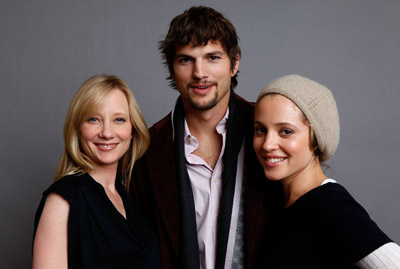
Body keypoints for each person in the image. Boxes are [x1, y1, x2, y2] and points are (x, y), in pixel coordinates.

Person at [131, 6, 281, 269]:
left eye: (212, 58)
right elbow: (140, 248)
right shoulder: (148, 149)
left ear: (234, 63)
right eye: (186, 60)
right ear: (171, 68)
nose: (200, 73)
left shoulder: (267, 131)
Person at [253, 74, 400, 268]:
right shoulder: (278, 203)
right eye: (260, 130)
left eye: (286, 131)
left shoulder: (329, 205)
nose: (268, 144)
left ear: (316, 138)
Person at [32, 75, 160, 268]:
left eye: (119, 119)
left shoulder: (130, 198)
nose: (107, 133)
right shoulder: (62, 200)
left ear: (132, 130)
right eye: (94, 119)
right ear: (77, 129)